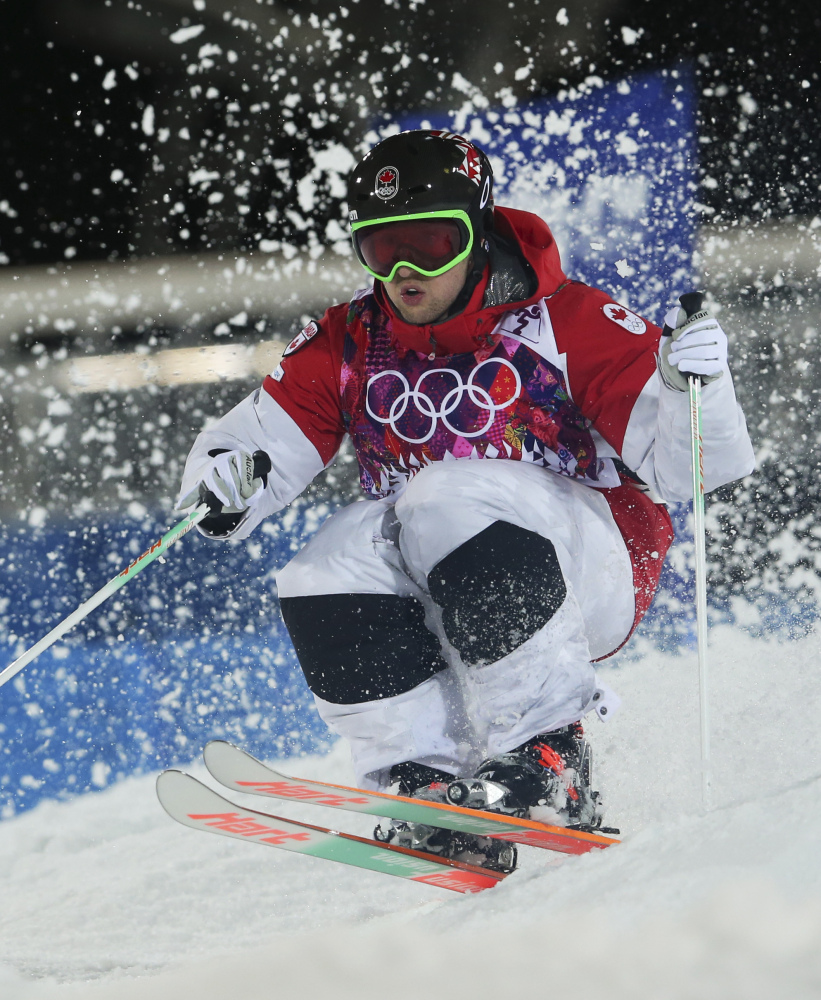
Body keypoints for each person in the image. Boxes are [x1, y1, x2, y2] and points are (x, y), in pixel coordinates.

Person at [177, 129, 755, 872]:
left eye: (431, 243)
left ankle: (550, 758)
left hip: (589, 573)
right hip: (451, 586)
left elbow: (696, 471)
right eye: (382, 250)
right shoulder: (350, 340)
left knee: (443, 491)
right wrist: (224, 479)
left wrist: (692, 390)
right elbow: (256, 445)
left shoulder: (566, 320)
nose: (407, 271)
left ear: (478, 232)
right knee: (326, 560)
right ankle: (423, 783)